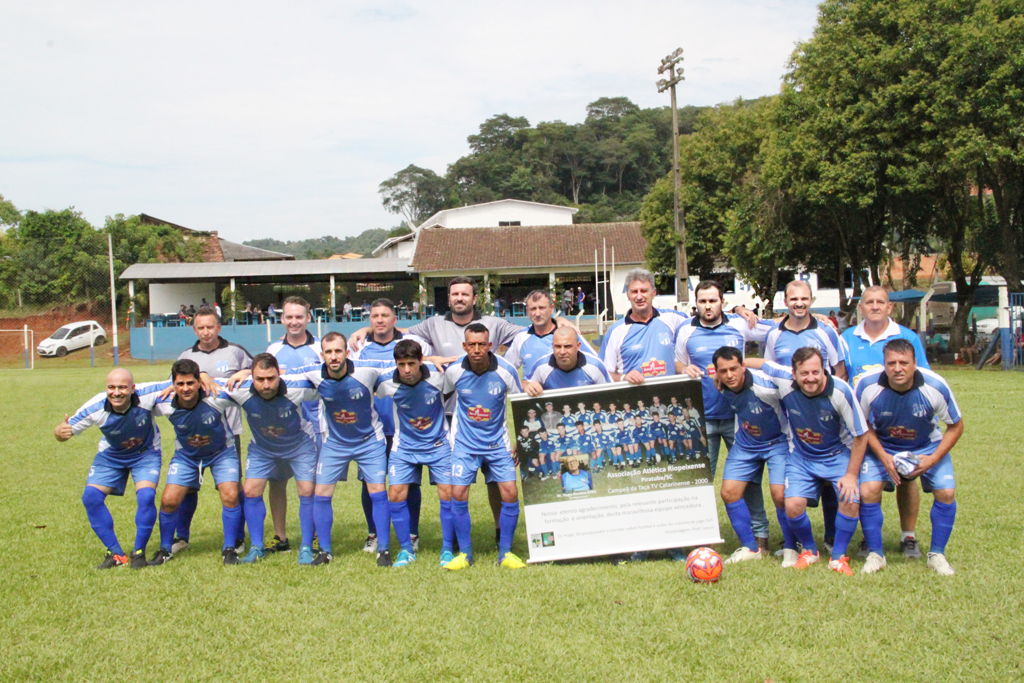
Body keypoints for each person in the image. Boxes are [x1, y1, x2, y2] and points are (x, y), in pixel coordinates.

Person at [675, 280, 773, 553]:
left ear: (722, 302)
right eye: (703, 301)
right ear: (696, 303)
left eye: (713, 301)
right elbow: (679, 361)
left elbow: (776, 330)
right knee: (701, 480)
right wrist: (684, 369)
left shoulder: (739, 325)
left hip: (738, 418)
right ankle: (703, 535)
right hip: (702, 418)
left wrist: (820, 319)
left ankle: (760, 534)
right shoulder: (686, 330)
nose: (708, 306)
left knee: (750, 478)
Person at [856, 339, 964, 575]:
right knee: (868, 491)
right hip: (883, 445)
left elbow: (955, 426)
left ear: (915, 363)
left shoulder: (935, 386)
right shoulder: (867, 385)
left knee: (946, 492)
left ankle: (936, 555)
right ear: (883, 364)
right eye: (891, 363)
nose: (897, 368)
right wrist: (883, 457)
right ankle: (876, 554)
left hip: (925, 445)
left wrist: (932, 459)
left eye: (904, 363)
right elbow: (861, 424)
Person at [758, 349, 869, 576]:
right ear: (794, 373)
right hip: (801, 457)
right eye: (804, 373)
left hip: (837, 454)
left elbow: (861, 434)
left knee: (850, 498)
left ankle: (838, 557)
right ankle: (809, 550)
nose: (811, 378)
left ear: (824, 370)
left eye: (816, 372)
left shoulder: (840, 391)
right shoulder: (784, 380)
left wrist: (850, 475)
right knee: (792, 505)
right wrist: (730, 370)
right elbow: (762, 363)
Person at [841, 285, 930, 558]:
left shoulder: (907, 337)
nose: (875, 306)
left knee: (906, 479)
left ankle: (908, 537)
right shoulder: (846, 337)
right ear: (862, 307)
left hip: (901, 423)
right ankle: (870, 539)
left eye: (881, 302)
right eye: (869, 302)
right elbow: (841, 377)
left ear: (890, 307)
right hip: (862, 425)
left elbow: (923, 378)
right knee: (869, 486)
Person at [207, 354, 320, 565]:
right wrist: (203, 375)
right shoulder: (240, 389)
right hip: (263, 449)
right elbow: (203, 386)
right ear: (252, 376)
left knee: (306, 490)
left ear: (280, 375)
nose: (266, 385)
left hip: (299, 445)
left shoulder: (297, 387)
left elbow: (327, 378)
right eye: (260, 379)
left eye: (271, 378)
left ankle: (306, 546)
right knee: (250, 490)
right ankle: (257, 547)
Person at [54, 369, 169, 569]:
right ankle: (116, 554)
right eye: (111, 387)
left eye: (122, 387)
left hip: (145, 453)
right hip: (112, 455)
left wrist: (202, 376)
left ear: (133, 388)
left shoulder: (147, 393)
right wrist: (59, 432)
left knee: (146, 497)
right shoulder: (95, 407)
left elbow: (176, 384)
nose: (116, 392)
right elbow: (64, 430)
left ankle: (139, 553)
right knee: (90, 497)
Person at [763, 281, 847, 554]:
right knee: (801, 476)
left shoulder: (825, 330)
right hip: (792, 416)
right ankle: (797, 541)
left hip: (825, 414)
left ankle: (832, 536)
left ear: (812, 300)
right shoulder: (775, 334)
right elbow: (770, 373)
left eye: (804, 298)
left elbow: (840, 371)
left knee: (829, 483)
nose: (799, 303)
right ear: (785, 301)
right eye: (793, 298)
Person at [296, 332, 390, 567]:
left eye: (338, 351)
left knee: (377, 492)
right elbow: (281, 378)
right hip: (335, 444)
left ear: (347, 353)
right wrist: (246, 373)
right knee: (321, 494)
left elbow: (398, 364)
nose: (334, 356)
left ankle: (385, 549)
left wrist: (433, 361)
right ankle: (325, 551)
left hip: (370, 441)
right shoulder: (313, 375)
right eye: (329, 352)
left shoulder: (366, 371)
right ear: (322, 355)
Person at [350, 298, 433, 554]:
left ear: (395, 319)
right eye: (375, 316)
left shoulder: (410, 345)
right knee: (370, 483)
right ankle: (373, 533)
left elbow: (428, 365)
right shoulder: (359, 348)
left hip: (405, 428)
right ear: (369, 319)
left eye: (385, 315)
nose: (380, 320)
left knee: (409, 483)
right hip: (372, 429)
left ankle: (412, 532)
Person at [441, 324, 525, 570]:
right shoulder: (454, 371)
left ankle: (505, 553)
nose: (477, 350)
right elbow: (443, 399)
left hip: (497, 444)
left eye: (482, 345)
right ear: (464, 346)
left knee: (510, 492)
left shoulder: (507, 370)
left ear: (490, 346)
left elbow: (519, 404)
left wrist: (521, 440)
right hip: (465, 444)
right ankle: (465, 555)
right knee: (458, 494)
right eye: (472, 345)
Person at [170, 306, 253, 556]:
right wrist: (201, 374)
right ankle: (181, 537)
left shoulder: (235, 352)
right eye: (200, 327)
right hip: (192, 434)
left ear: (219, 327)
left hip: (227, 434)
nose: (206, 332)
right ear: (194, 329)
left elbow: (261, 371)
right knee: (187, 488)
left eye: (210, 326)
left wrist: (245, 371)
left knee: (232, 488)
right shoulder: (186, 355)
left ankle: (237, 539)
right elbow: (176, 385)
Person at [149, 359, 244, 566]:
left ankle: (230, 548)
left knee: (230, 494)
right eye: (180, 384)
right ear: (173, 384)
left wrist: (245, 372)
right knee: (169, 500)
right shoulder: (163, 401)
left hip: (221, 453)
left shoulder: (215, 395)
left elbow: (249, 387)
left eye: (190, 383)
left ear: (199, 383)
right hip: (187, 456)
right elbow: (133, 394)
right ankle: (166, 549)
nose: (185, 388)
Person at [375, 340, 455, 567]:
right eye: (402, 364)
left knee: (447, 495)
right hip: (404, 448)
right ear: (396, 364)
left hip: (438, 446)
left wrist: (432, 360)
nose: (407, 370)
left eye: (412, 363)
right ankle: (406, 550)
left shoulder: (440, 377)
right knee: (396, 495)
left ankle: (447, 549)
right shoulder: (386, 382)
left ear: (421, 361)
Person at [711, 347, 792, 565]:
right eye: (723, 371)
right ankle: (751, 547)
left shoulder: (766, 386)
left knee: (779, 494)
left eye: (734, 369)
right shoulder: (721, 385)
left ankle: (792, 546)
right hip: (746, 444)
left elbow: (789, 378)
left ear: (743, 366)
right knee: (729, 492)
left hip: (778, 441)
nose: (729, 375)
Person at [600, 269, 691, 388]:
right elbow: (603, 374)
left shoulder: (674, 319)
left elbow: (701, 327)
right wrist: (624, 378)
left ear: (653, 293)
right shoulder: (615, 331)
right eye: (634, 292)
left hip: (669, 398)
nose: (639, 296)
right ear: (627, 295)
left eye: (644, 291)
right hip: (635, 402)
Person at [504, 290, 596, 380]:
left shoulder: (568, 333)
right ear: (527, 311)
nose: (537, 314)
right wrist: (523, 386)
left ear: (552, 308)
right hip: (535, 394)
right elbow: (505, 370)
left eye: (541, 308)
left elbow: (596, 363)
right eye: (533, 309)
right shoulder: (521, 337)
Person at [523, 327, 610, 394]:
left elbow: (611, 394)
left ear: (578, 346)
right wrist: (528, 386)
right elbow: (525, 383)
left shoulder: (595, 366)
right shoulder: (541, 366)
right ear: (552, 346)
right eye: (558, 346)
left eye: (567, 346)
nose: (562, 352)